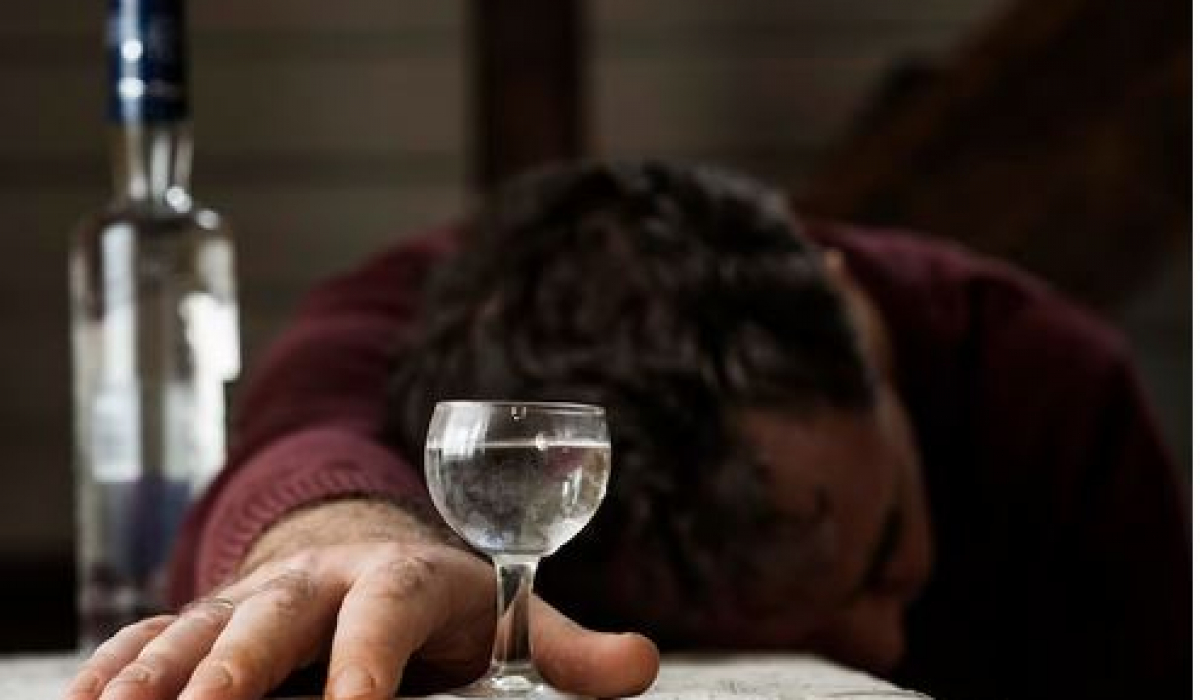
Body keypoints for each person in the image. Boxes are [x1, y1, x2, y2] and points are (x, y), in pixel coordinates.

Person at [66, 161, 1188, 700]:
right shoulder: (436, 311)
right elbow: (312, 420)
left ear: (849, 311)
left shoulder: (1056, 390)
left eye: (886, 547)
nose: (888, 644)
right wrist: (346, 543)